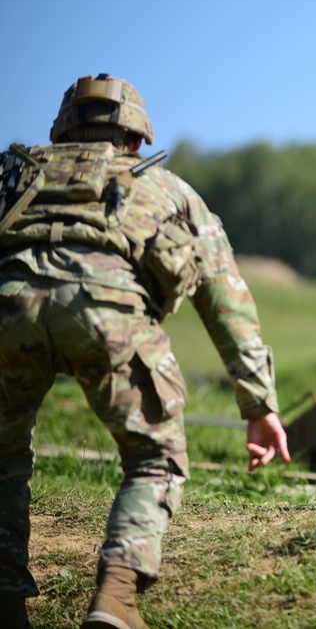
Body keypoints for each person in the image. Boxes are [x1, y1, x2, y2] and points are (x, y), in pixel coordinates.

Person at [0, 74, 291, 629]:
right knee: (153, 458)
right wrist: (258, 406)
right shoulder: (165, 187)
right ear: (135, 139)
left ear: (61, 134)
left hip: (6, 307)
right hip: (107, 315)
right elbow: (225, 298)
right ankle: (117, 598)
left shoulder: (11, 175)